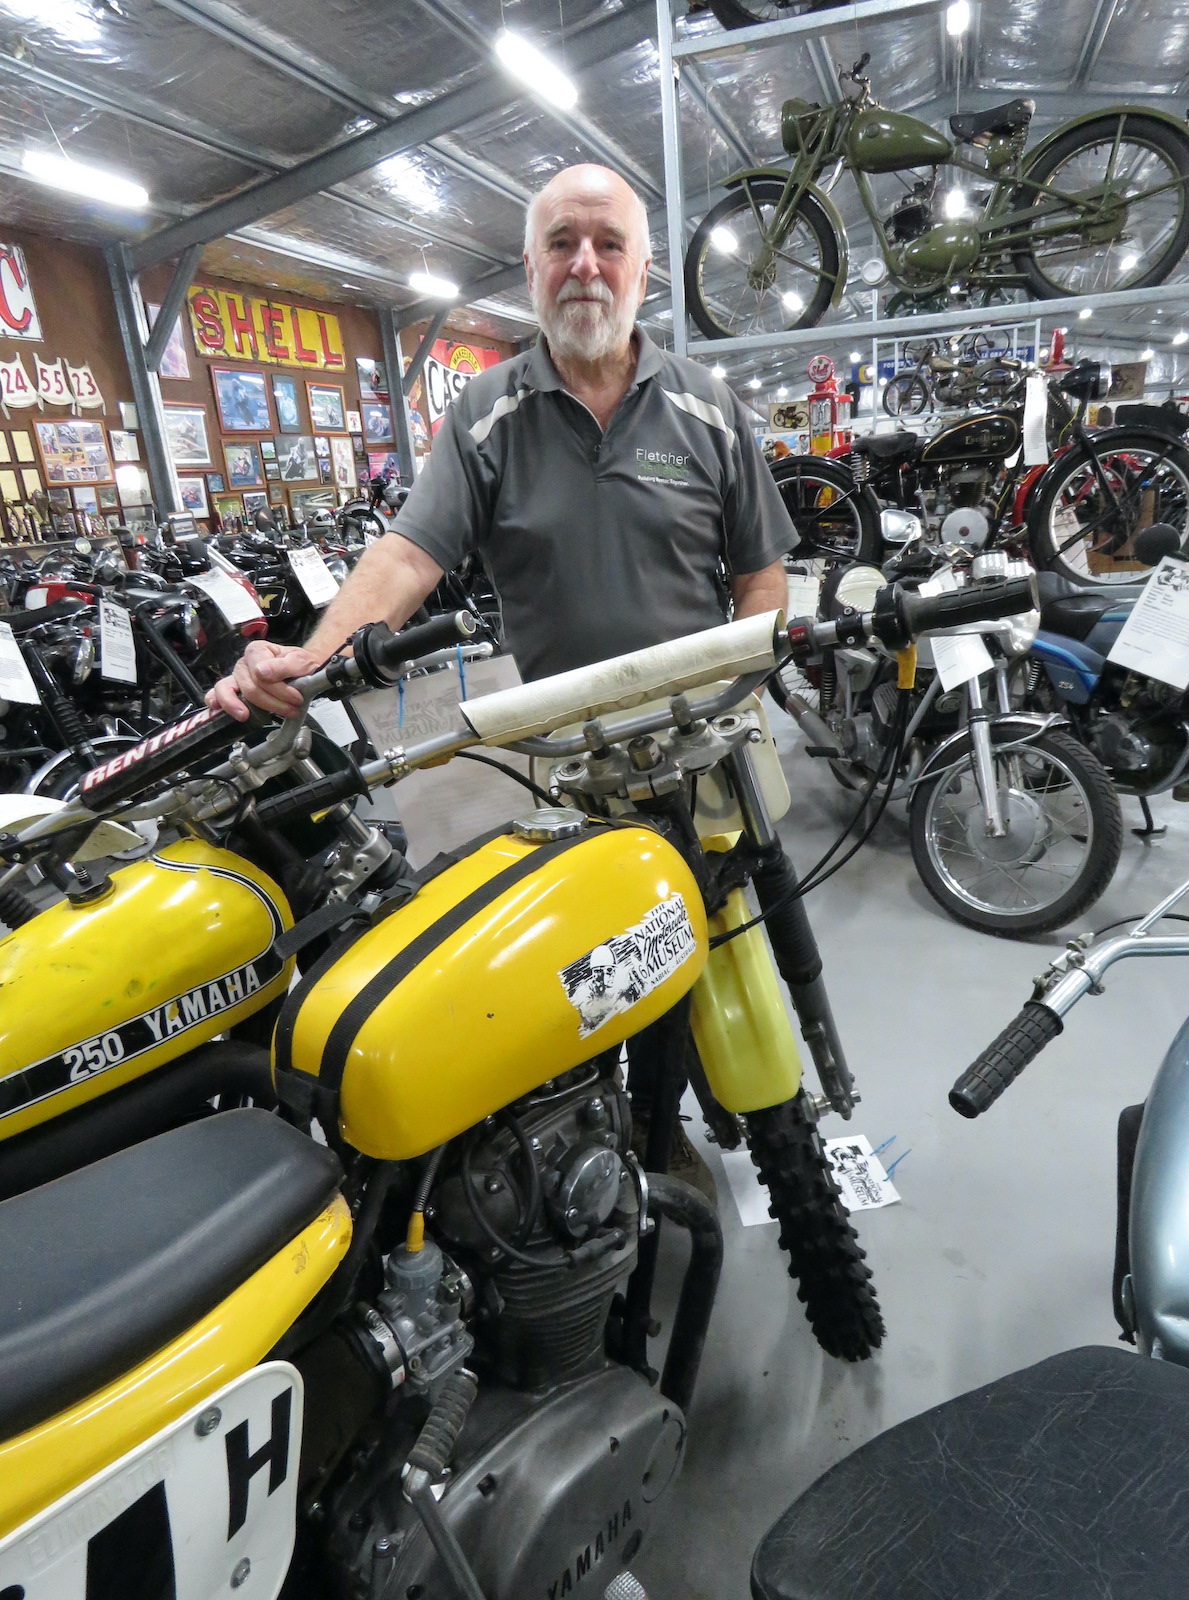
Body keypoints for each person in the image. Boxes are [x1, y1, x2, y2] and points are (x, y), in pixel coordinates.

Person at [209, 162, 799, 1192]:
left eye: (608, 244)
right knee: (592, 986)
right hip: (574, 770)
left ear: (644, 269)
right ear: (530, 268)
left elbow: (762, 578)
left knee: (743, 940)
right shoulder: (486, 414)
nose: (585, 264)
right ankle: (622, 1155)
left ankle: (752, 1112)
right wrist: (313, 656)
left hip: (709, 749)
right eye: (562, 244)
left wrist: (742, 688)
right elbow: (406, 555)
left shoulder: (709, 407)